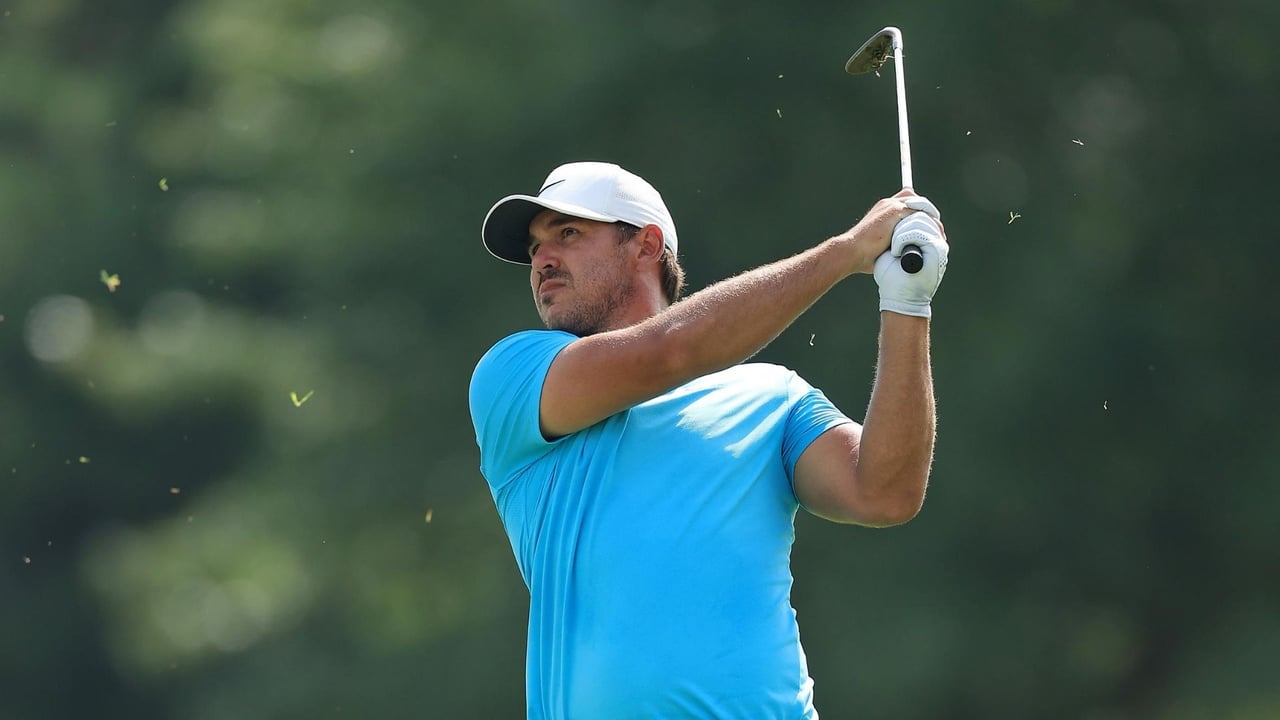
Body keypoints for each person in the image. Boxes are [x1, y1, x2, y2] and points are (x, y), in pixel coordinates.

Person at [469, 161, 949, 718]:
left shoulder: (775, 397)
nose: (543, 260)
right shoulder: (516, 378)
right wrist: (848, 251)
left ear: (646, 245)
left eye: (568, 234)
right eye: (534, 248)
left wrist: (907, 304)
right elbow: (669, 351)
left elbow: (885, 493)